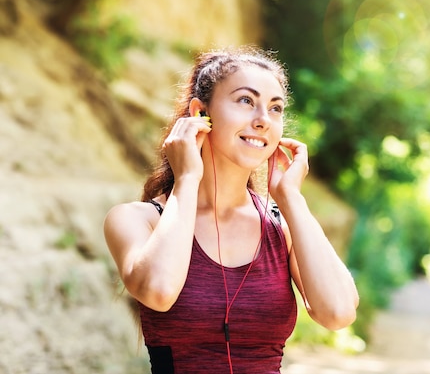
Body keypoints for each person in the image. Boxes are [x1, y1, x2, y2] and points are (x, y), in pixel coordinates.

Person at [103, 46, 359, 374]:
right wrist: (187, 179)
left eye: (276, 108)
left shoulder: (280, 227)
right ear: (200, 113)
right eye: (245, 101)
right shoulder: (138, 220)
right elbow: (159, 291)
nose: (263, 121)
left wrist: (291, 197)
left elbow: (338, 313)